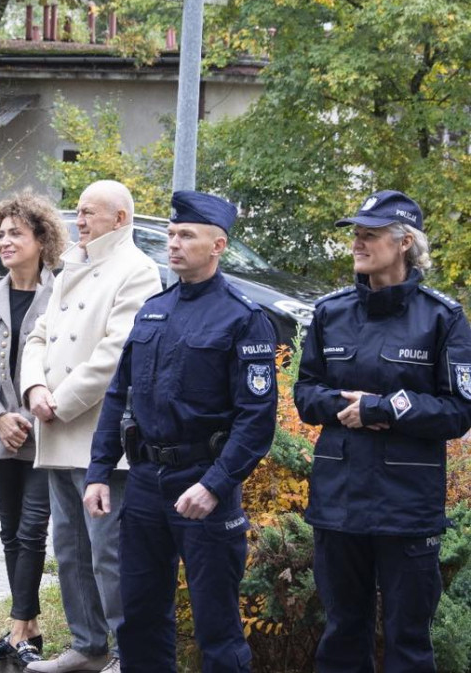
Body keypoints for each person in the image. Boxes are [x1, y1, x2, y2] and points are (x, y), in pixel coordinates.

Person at [84, 190, 277, 673]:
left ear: (218, 246)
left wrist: (214, 486)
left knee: (217, 627)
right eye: (170, 234)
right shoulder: (154, 309)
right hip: (148, 483)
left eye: (186, 235)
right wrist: (99, 471)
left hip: (203, 484)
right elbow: (117, 395)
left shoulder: (243, 317)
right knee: (141, 619)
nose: (173, 243)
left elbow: (256, 421)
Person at [293, 190, 471, 673]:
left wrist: (381, 408)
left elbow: (459, 411)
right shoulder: (331, 313)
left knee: (408, 641)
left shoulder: (443, 318)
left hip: (406, 505)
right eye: (355, 234)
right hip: (338, 500)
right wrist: (340, 405)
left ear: (405, 243)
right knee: (342, 634)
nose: (357, 243)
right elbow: (305, 393)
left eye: (369, 235)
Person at [21, 180, 161, 673]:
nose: (78, 221)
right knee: (70, 548)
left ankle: (128, 652)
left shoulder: (139, 271)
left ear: (120, 219)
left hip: (98, 434)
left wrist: (60, 401)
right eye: (78, 212)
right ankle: (87, 644)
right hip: (55, 427)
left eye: (88, 213)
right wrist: (34, 389)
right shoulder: (71, 266)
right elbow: (37, 334)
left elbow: (117, 353)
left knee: (108, 553)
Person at [0, 192, 67, 667]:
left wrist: (25, 415)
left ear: (41, 239)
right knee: (9, 531)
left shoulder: (65, 291)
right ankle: (25, 630)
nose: (4, 241)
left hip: (47, 432)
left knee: (31, 530)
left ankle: (22, 625)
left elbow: (67, 360)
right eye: (1, 234)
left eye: (16, 233)